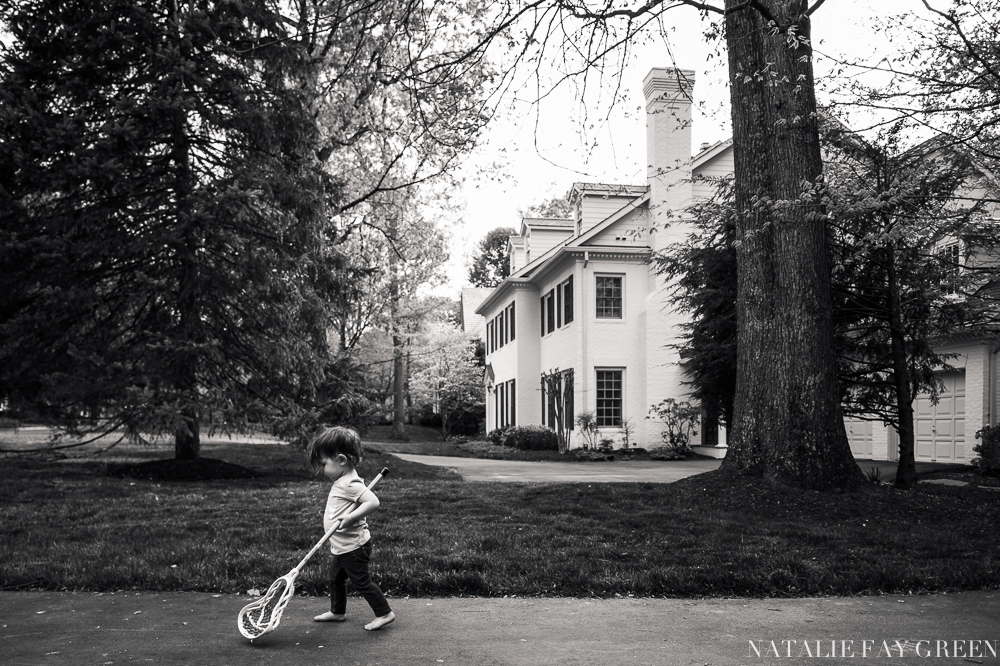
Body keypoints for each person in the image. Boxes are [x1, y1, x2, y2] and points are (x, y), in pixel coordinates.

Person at [307, 426, 395, 631]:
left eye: (323, 464)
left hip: (354, 548)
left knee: (362, 582)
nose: (321, 469)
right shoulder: (342, 480)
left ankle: (384, 613)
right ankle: (338, 611)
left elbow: (373, 502)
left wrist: (350, 517)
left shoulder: (350, 483)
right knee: (335, 578)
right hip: (342, 546)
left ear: (341, 460)